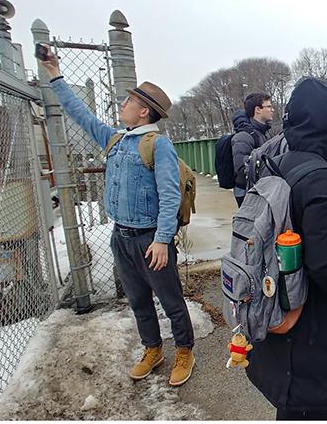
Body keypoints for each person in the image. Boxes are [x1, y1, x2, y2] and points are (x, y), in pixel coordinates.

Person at [39, 46, 195, 387]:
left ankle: (184, 350)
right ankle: (152, 348)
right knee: (138, 299)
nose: (121, 106)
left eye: (128, 103)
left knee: (170, 300)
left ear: (143, 112)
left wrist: (162, 240)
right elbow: (80, 114)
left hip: (150, 239)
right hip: (121, 237)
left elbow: (170, 196)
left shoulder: (158, 145)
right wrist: (55, 75)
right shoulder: (116, 140)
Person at [245, 78, 327, 420]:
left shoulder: (278, 161)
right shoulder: (322, 177)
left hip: (281, 302)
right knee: (310, 405)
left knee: (293, 402)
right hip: (311, 317)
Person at [232, 93, 274, 206]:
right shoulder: (244, 136)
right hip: (248, 193)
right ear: (258, 110)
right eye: (269, 106)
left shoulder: (263, 133)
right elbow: (241, 170)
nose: (272, 110)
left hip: (259, 190)